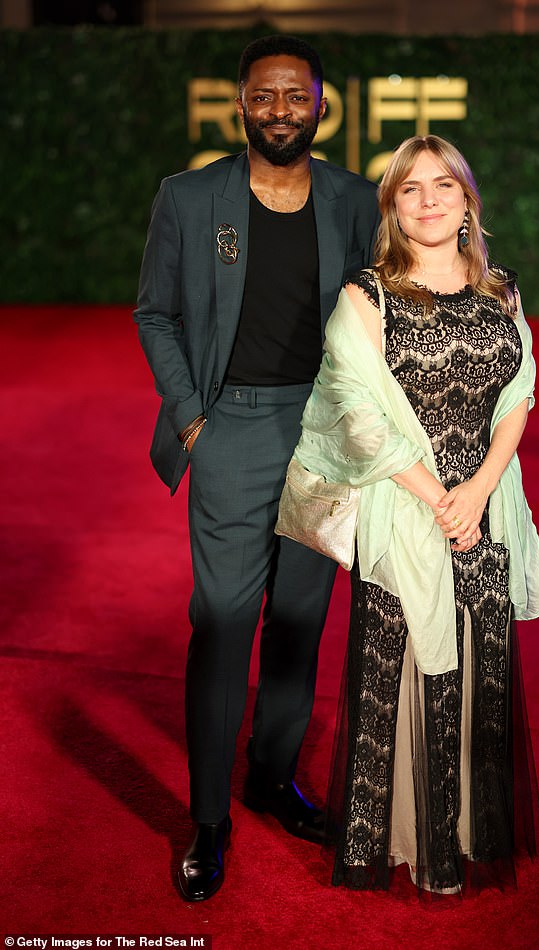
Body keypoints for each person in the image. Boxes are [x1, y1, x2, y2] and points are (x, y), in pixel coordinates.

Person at [133, 34, 379, 902]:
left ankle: (273, 778)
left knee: (302, 621)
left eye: (295, 95)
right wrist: (193, 418)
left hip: (324, 435)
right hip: (228, 426)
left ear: (320, 104)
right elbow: (154, 312)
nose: (281, 109)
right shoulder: (190, 197)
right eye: (264, 95)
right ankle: (208, 820)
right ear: (241, 102)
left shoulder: (353, 198)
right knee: (225, 619)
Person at [292, 134, 539, 897]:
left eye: (445, 185)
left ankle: (470, 837)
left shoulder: (501, 290)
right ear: (393, 208)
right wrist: (438, 497)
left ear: (468, 201)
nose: (430, 200)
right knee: (403, 667)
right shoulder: (365, 296)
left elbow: (519, 398)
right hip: (407, 510)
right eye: (411, 189)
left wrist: (477, 493)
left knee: (480, 665)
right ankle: (409, 844)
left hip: (487, 511)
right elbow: (354, 411)